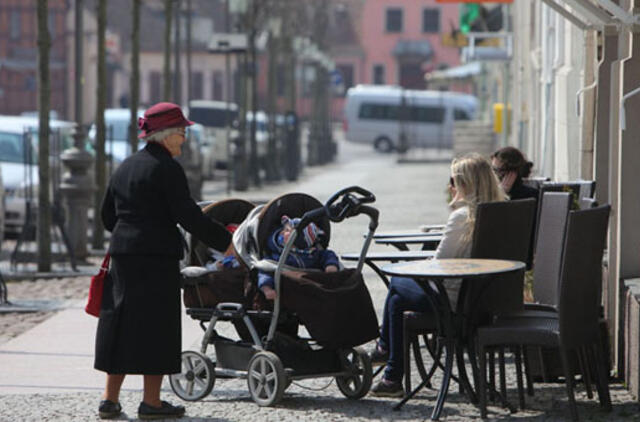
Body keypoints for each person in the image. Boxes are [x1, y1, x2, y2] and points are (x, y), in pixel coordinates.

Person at [94, 102, 232, 420]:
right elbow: (189, 216)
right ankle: (152, 403)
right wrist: (227, 243)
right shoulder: (167, 168)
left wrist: (129, 234)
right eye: (182, 132)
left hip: (123, 255)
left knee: (120, 324)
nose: (184, 139)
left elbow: (107, 216)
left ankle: (109, 400)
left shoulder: (125, 166)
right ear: (166, 135)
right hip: (156, 258)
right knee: (157, 328)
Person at [370, 154, 507, 397]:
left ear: (465, 184)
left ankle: (385, 354)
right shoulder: (498, 215)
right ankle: (390, 375)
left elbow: (439, 266)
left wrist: (419, 262)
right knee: (398, 300)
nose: (450, 186)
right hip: (486, 303)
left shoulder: (462, 217)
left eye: (453, 180)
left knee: (397, 283)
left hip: (454, 302)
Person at [257, 215, 339, 300]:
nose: (282, 232)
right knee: (268, 269)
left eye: (287, 230)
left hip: (311, 287)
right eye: (284, 229)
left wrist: (331, 265)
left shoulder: (312, 253)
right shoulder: (276, 255)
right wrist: (267, 288)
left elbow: (327, 255)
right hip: (286, 292)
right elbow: (266, 270)